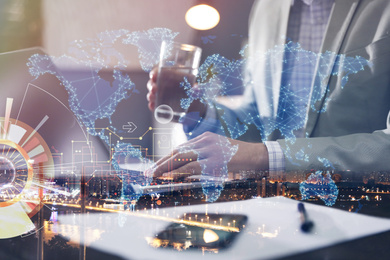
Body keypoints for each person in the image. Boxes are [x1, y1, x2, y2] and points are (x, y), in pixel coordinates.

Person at [146, 0, 390, 179]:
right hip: (278, 213)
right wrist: (196, 110)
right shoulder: (265, 8)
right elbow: (258, 124)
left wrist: (263, 157)